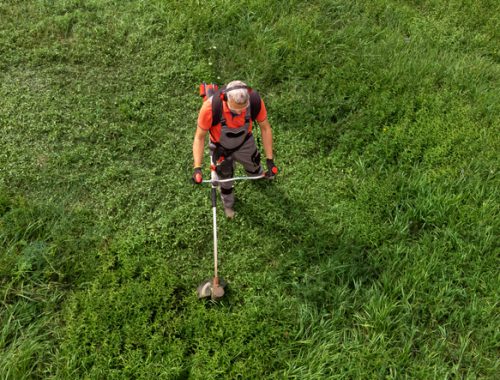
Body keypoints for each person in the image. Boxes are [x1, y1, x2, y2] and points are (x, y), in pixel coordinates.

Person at [192, 80, 277, 219]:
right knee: (225, 180)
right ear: (225, 98)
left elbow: (265, 128)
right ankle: (228, 205)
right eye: (235, 109)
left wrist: (270, 160)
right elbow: (199, 137)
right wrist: (197, 167)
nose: (240, 112)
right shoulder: (210, 108)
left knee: (254, 163)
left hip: (245, 143)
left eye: (243, 109)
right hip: (220, 149)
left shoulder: (255, 100)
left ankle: (257, 175)